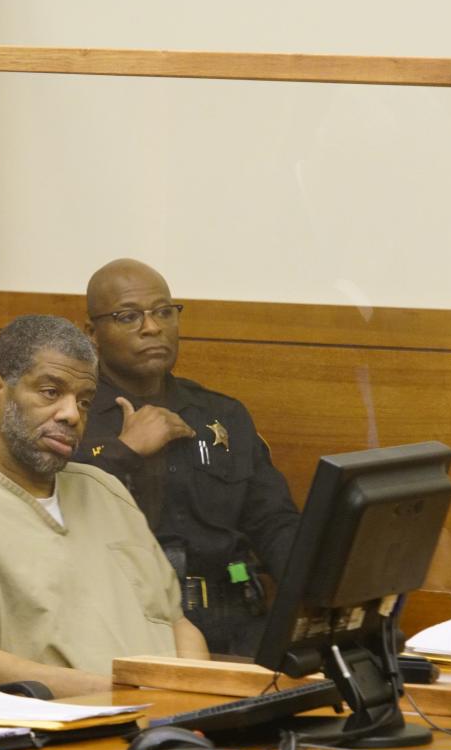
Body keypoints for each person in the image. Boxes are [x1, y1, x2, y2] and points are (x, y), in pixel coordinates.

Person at [0, 315, 208, 698]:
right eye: (50, 392)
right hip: (61, 737)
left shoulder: (105, 490)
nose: (72, 415)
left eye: (84, 401)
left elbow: (177, 623)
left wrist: (195, 698)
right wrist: (115, 693)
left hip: (171, 729)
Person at [74, 258, 300, 657]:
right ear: (92, 333)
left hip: (240, 621)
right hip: (135, 628)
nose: (152, 327)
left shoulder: (221, 415)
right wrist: (125, 451)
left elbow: (273, 522)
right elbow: (53, 514)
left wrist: (320, 587)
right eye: (128, 316)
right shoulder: (74, 417)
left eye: (164, 312)